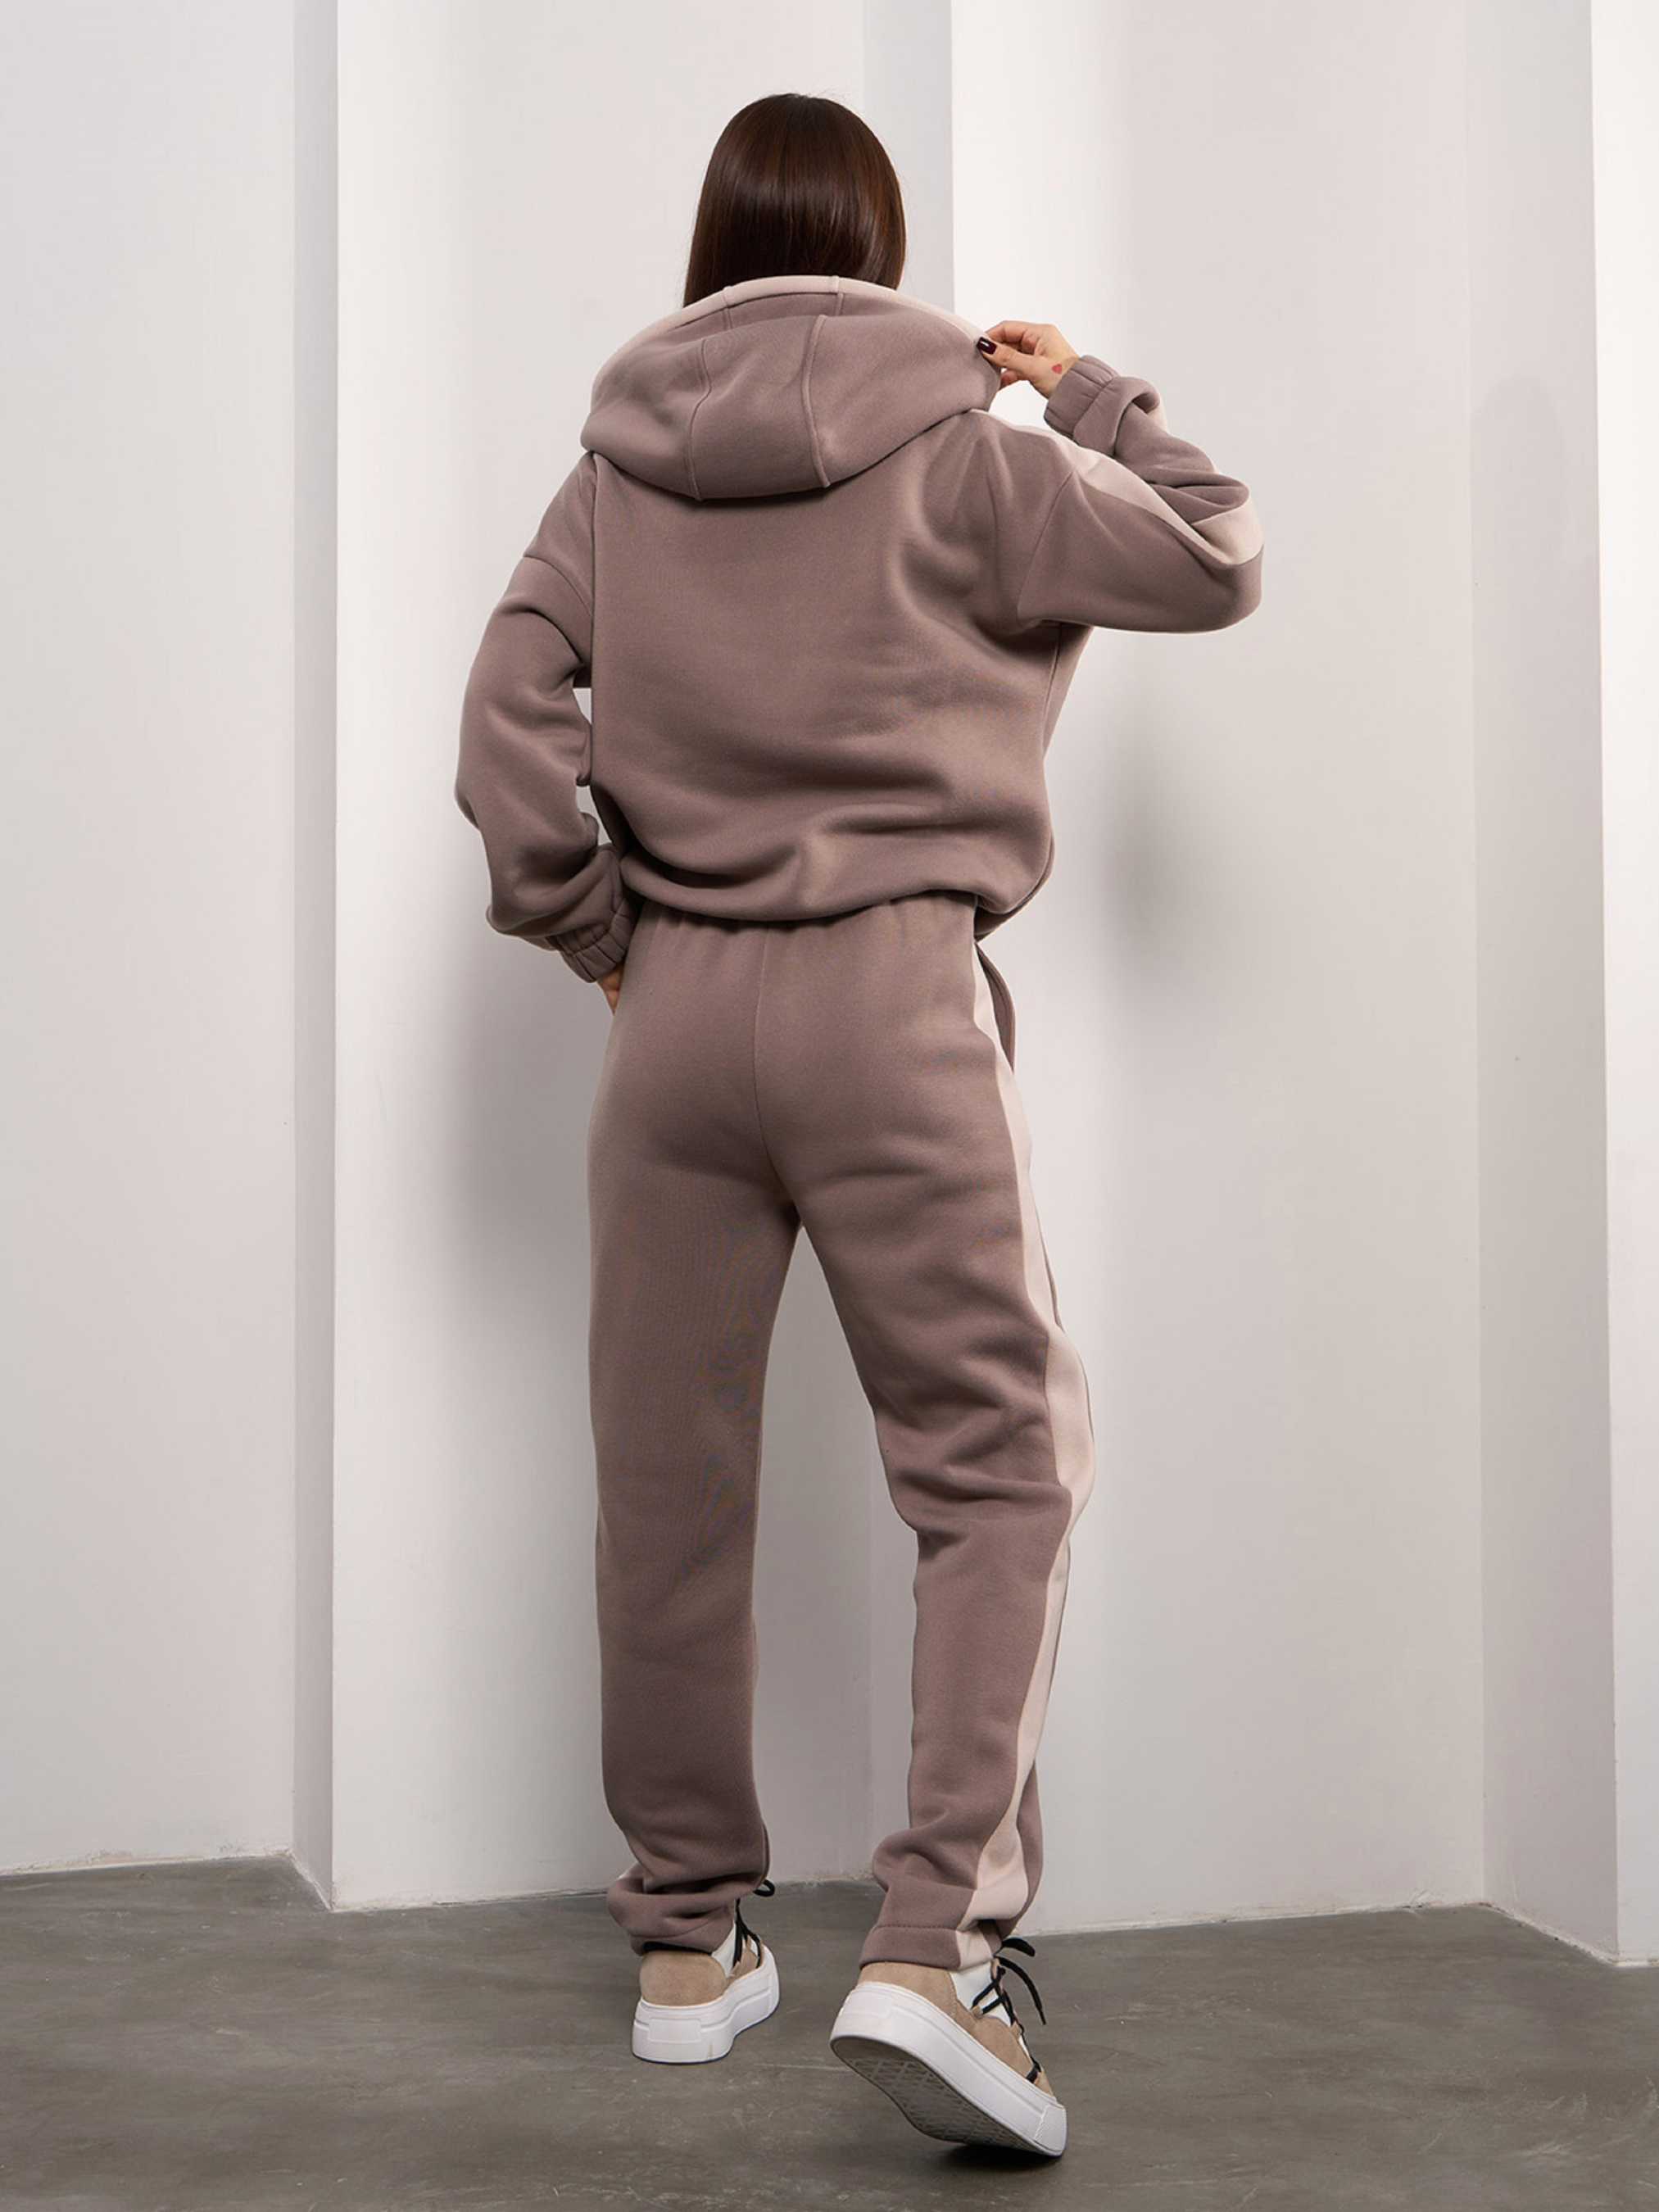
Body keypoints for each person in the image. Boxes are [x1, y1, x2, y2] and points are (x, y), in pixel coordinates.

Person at [455, 90, 1262, 2160]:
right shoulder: (967, 450)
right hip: (894, 1003)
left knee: (669, 1488)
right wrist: (1082, 391)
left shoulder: (611, 473)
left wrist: (602, 933)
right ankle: (933, 1948)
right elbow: (1216, 553)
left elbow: (503, 724)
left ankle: (685, 1947)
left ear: (711, 248)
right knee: (996, 1466)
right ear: (878, 252)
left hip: (676, 1025)